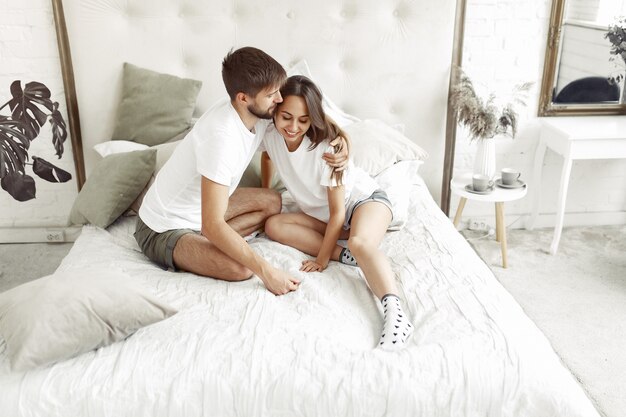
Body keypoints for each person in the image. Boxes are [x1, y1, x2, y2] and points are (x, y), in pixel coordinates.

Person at [134, 47, 348, 296]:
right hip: (162, 228)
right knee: (241, 269)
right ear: (243, 98)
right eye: (271, 95)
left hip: (200, 216)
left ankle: (205, 246)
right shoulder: (221, 139)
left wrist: (342, 140)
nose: (279, 99)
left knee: (271, 200)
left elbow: (310, 113)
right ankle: (197, 249)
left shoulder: (257, 112)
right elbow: (212, 224)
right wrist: (268, 272)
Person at [260, 75, 414, 349]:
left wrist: (320, 260)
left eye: (304, 120)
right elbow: (267, 155)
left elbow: (338, 214)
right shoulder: (271, 135)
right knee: (274, 225)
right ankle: (346, 255)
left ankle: (396, 314)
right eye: (286, 117)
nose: (293, 127)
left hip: (365, 203)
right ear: (275, 110)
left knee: (359, 241)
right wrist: (265, 189)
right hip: (329, 218)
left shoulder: (328, 150)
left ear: (313, 118)